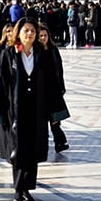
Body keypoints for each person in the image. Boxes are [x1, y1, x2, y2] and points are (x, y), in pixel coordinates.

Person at [0, 17, 69, 201]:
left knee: (32, 151)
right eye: (26, 30)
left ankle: (27, 187)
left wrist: (55, 113)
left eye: (33, 31)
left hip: (37, 110)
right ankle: (18, 190)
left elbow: (52, 83)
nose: (30, 34)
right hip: (15, 111)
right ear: (19, 33)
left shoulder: (42, 54)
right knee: (18, 151)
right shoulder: (9, 54)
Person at [37, 23, 70, 154]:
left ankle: (59, 142)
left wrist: (61, 86)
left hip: (53, 88)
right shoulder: (36, 51)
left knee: (55, 118)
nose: (43, 38)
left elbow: (59, 69)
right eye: (41, 36)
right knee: (43, 118)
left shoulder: (53, 49)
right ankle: (44, 143)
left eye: (45, 35)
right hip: (41, 89)